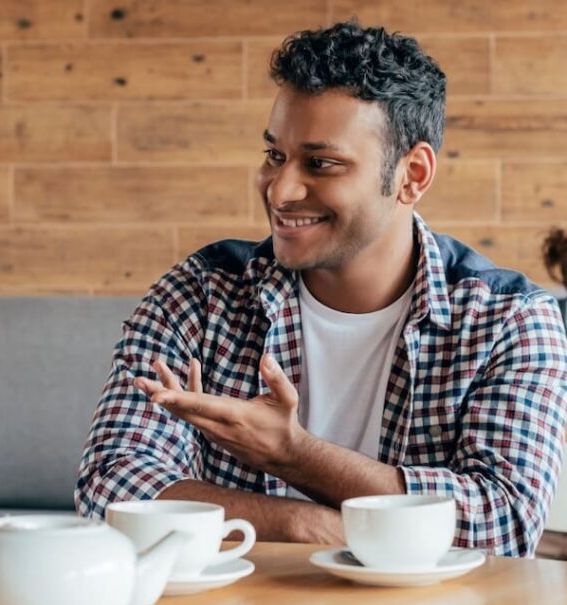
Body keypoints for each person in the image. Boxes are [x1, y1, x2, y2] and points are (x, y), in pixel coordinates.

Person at [77, 21, 567, 557]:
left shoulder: (509, 321)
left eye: (321, 163)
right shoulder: (199, 296)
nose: (281, 190)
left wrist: (293, 455)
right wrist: (308, 527)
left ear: (413, 175)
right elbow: (111, 483)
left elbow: (504, 523)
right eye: (274, 156)